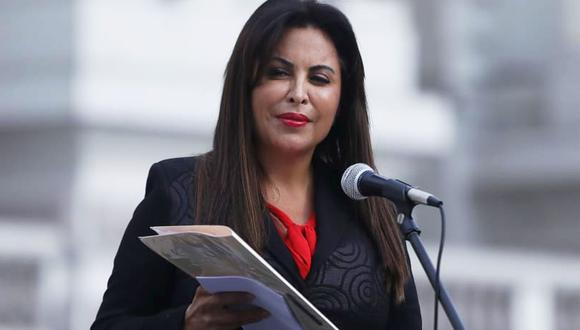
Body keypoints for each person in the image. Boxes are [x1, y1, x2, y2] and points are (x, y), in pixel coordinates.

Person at [91, 0, 422, 329]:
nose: (298, 93)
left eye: (319, 79)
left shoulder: (374, 209)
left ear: (343, 99)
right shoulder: (180, 190)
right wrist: (185, 323)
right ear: (246, 85)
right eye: (278, 72)